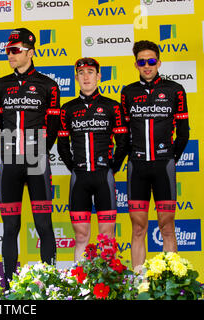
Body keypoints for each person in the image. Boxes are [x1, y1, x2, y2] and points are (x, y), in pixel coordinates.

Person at [0, 28, 60, 289]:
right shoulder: (0, 85)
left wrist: (39, 150)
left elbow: (53, 126)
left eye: (15, 50)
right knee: (10, 226)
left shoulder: (48, 85)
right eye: (8, 50)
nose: (10, 55)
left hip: (36, 159)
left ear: (30, 52)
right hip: (9, 161)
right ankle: (9, 286)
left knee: (43, 224)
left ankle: (50, 284)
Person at [121, 40, 189, 273]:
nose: (147, 65)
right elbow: (124, 133)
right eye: (142, 62)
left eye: (151, 61)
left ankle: (171, 280)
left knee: (167, 226)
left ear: (159, 62)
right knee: (138, 227)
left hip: (163, 165)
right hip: (137, 167)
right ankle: (139, 282)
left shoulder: (175, 90)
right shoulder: (128, 92)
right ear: (136, 65)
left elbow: (183, 132)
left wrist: (170, 157)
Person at [57, 57, 129, 262]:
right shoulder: (67, 109)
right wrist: (74, 167)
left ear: (99, 76)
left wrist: (112, 167)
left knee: (107, 237)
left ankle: (107, 288)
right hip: (79, 178)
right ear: (76, 77)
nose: (86, 76)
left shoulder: (112, 107)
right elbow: (62, 146)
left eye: (90, 72)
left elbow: (123, 142)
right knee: (81, 236)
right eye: (81, 73)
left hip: (103, 176)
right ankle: (81, 288)